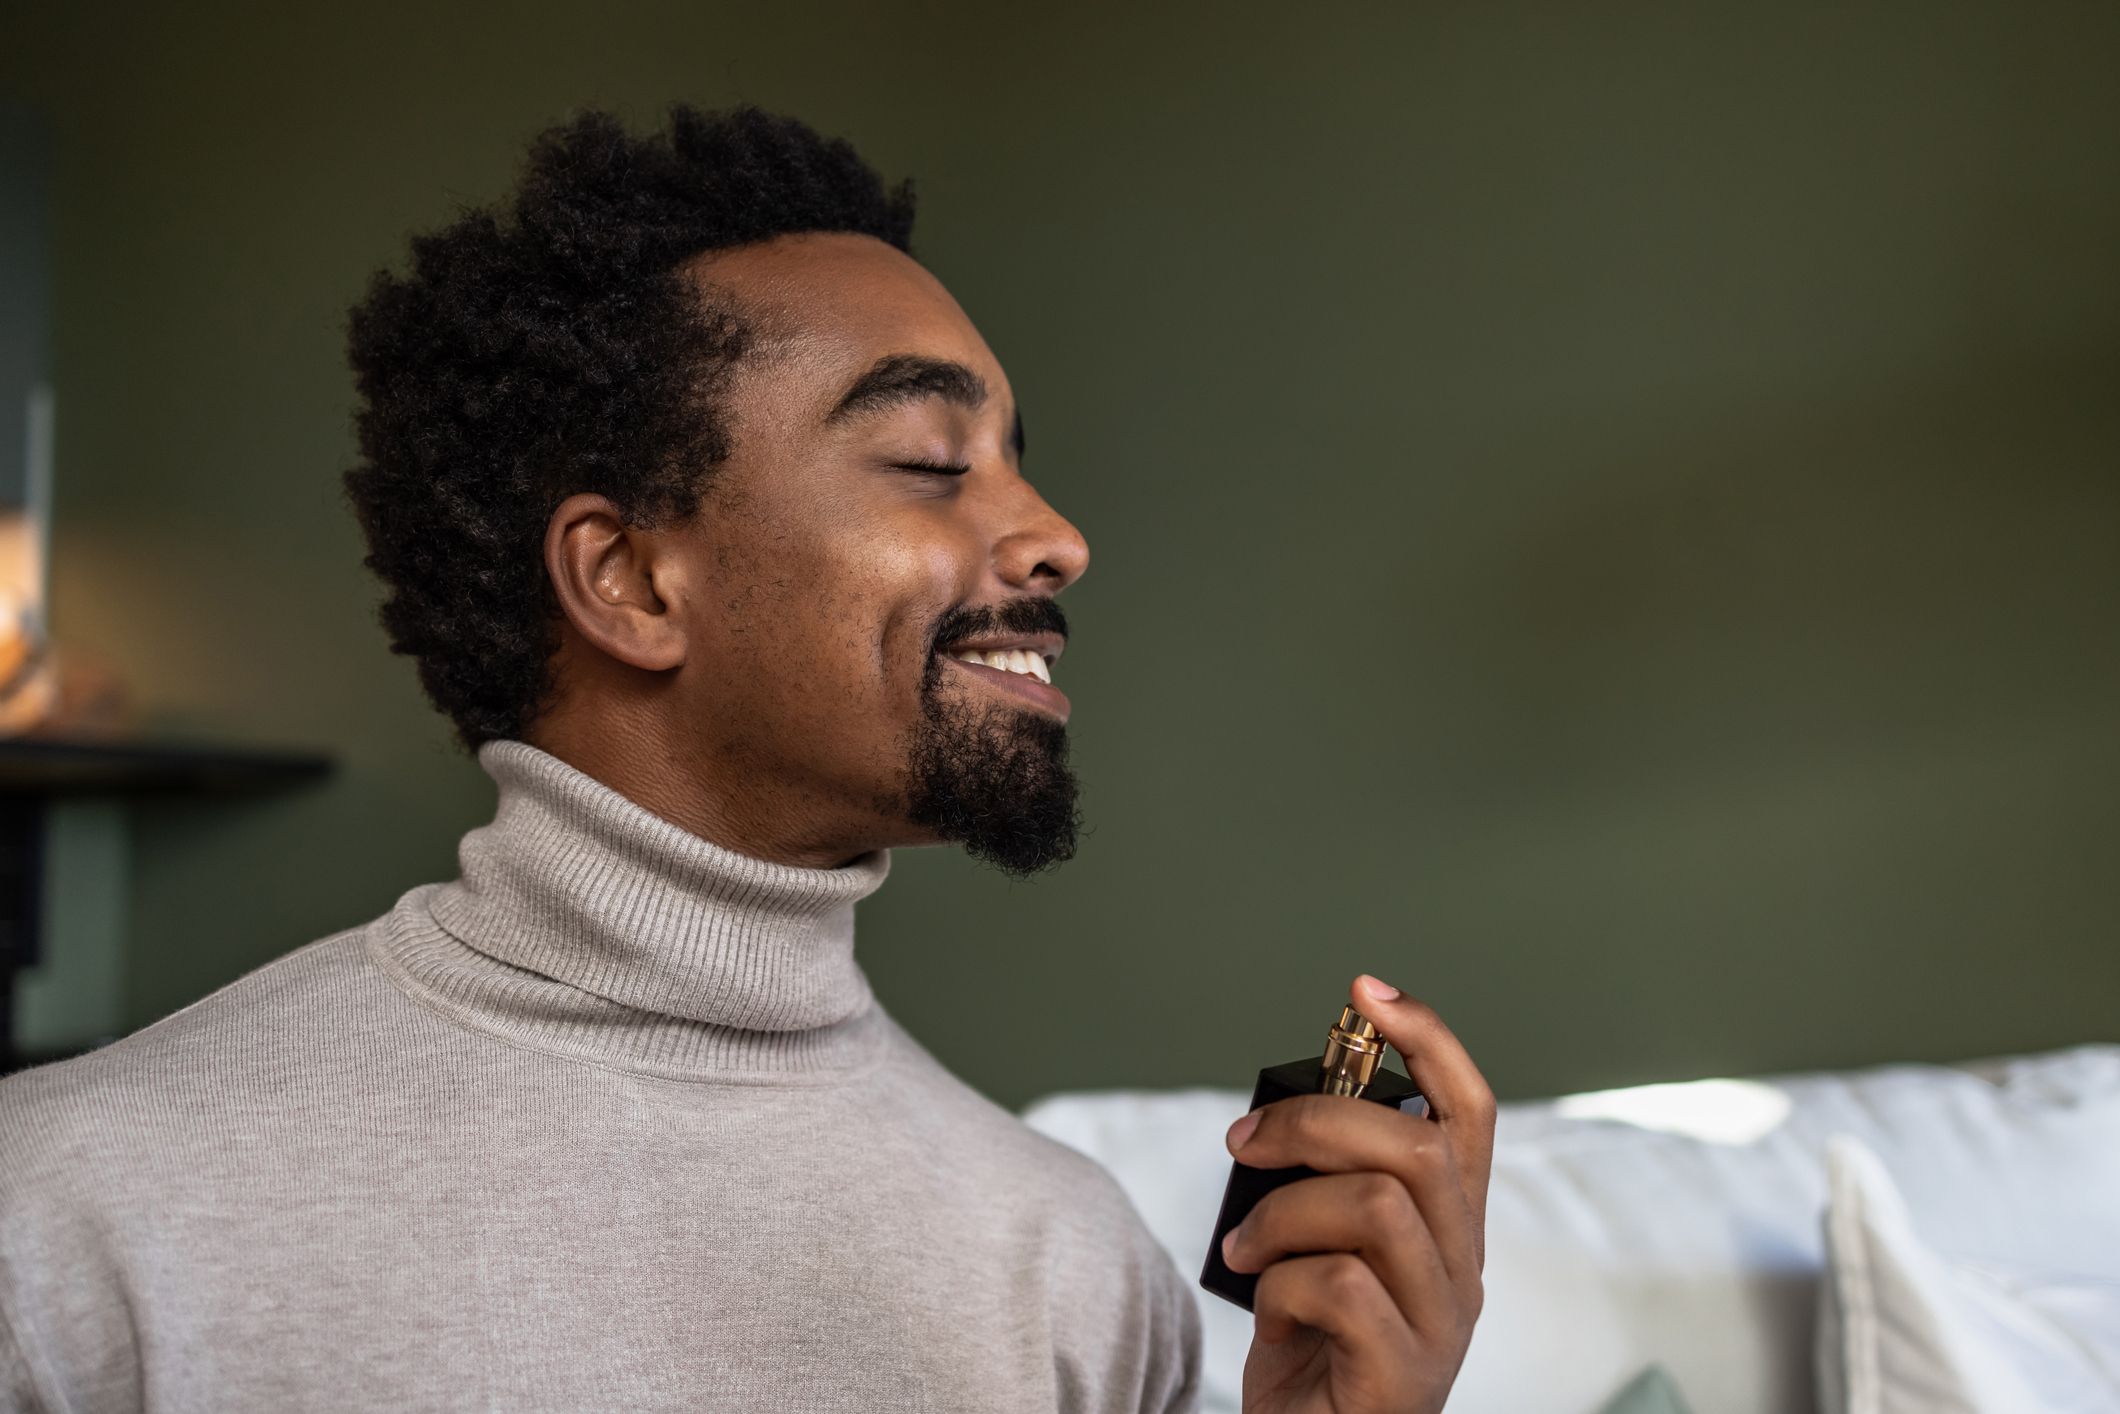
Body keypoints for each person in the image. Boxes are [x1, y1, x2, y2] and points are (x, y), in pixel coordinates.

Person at [0, 103, 1492, 1412]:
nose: (1057, 537)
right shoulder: (69, 1217)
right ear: (635, 581)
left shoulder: (1072, 1271)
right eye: (929, 458)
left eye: (1022, 462)